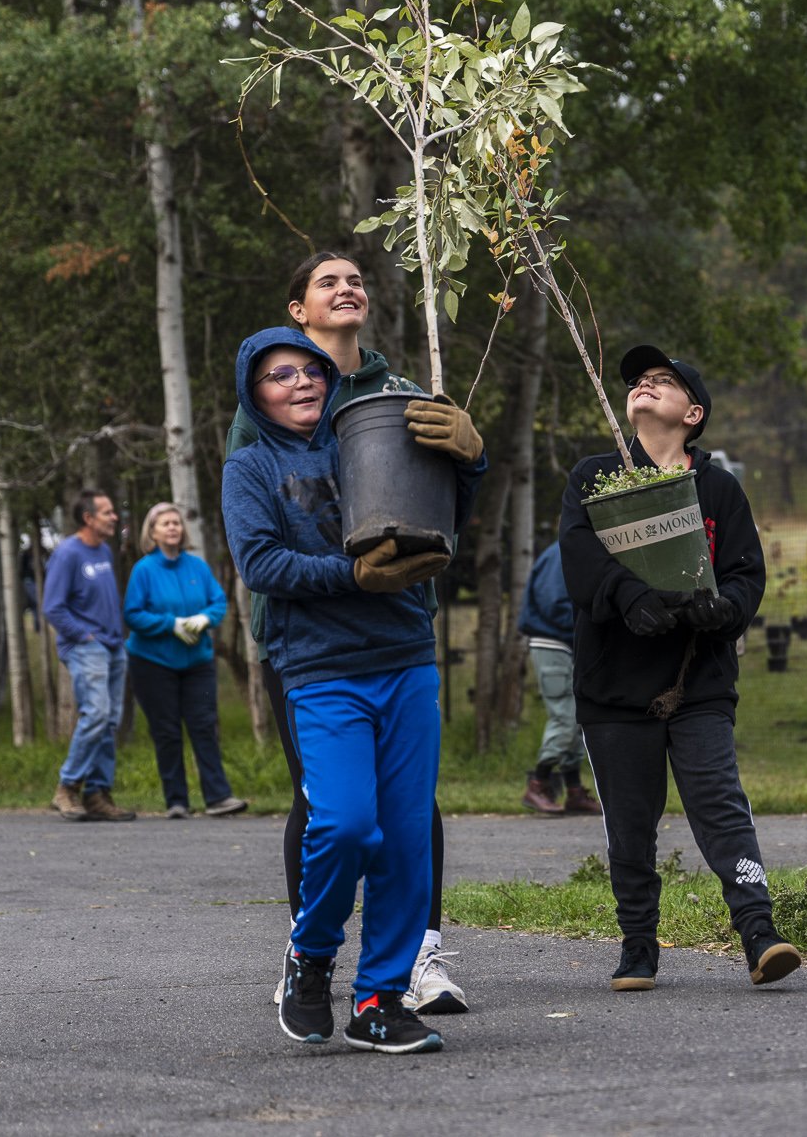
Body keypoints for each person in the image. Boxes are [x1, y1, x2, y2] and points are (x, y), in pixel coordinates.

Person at [225, 327, 483, 1054]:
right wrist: (355, 575)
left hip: (405, 658)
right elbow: (262, 563)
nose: (302, 381)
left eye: (310, 370)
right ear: (255, 392)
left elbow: (439, 517)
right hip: (320, 668)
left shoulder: (364, 439)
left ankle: (379, 999)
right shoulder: (249, 468)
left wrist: (471, 458)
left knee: (405, 841)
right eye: (280, 375)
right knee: (342, 824)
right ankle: (310, 957)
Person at [558, 344, 799, 992]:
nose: (644, 384)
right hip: (614, 685)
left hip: (697, 682)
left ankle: (759, 932)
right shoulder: (593, 477)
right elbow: (579, 558)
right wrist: (629, 597)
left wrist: (725, 611)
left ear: (692, 413)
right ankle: (638, 944)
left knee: (719, 803)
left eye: (662, 381)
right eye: (638, 380)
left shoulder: (718, 488)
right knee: (631, 823)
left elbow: (748, 571)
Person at [122, 502, 243, 819]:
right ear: (152, 532)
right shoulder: (144, 570)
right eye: (165, 524)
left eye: (176, 522)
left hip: (197, 664)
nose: (173, 527)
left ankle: (218, 797)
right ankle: (176, 800)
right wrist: (171, 625)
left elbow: (218, 602)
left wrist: (204, 619)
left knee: (204, 726)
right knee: (167, 731)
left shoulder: (197, 567)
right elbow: (133, 615)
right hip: (153, 663)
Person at [43, 490, 134, 823]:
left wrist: (112, 639)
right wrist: (86, 636)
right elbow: (53, 607)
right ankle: (67, 786)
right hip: (85, 647)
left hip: (113, 645)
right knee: (96, 714)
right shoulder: (68, 553)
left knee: (108, 722)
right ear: (88, 518)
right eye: (108, 512)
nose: (114, 517)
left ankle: (97, 794)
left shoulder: (105, 552)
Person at [517, 540, 599, 815]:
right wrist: (591, 624)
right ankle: (538, 783)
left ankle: (574, 791)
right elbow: (554, 602)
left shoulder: (569, 550)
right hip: (553, 643)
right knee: (566, 717)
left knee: (576, 718)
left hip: (564, 645)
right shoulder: (561, 553)